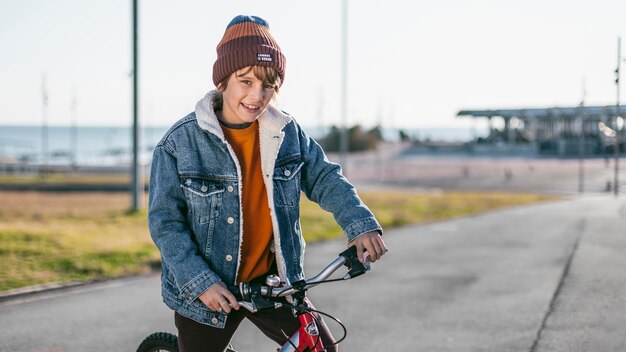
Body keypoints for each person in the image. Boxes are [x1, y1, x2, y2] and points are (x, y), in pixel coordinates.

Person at [148, 15, 388, 352]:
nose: (257, 95)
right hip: (209, 290)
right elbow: (166, 224)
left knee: (320, 349)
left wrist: (359, 224)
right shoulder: (179, 144)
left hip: (273, 284)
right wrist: (202, 284)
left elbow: (324, 177)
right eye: (245, 81)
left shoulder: (287, 133)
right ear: (222, 81)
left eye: (268, 84)